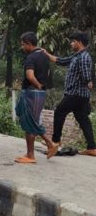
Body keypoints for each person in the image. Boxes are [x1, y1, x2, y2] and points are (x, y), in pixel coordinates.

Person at [43, 32, 96, 157]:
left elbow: (86, 75)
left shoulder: (83, 57)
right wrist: (46, 54)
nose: (71, 43)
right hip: (80, 95)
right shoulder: (76, 56)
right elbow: (61, 61)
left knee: (59, 112)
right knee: (83, 119)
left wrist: (89, 81)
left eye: (73, 41)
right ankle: (92, 147)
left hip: (75, 94)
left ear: (79, 42)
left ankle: (55, 143)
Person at [15, 32, 59, 163]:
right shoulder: (44, 56)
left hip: (32, 92)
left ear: (29, 43)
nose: (22, 47)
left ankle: (31, 155)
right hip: (40, 94)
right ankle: (49, 144)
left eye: (23, 45)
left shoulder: (31, 57)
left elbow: (30, 76)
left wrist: (38, 85)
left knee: (30, 123)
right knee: (32, 121)